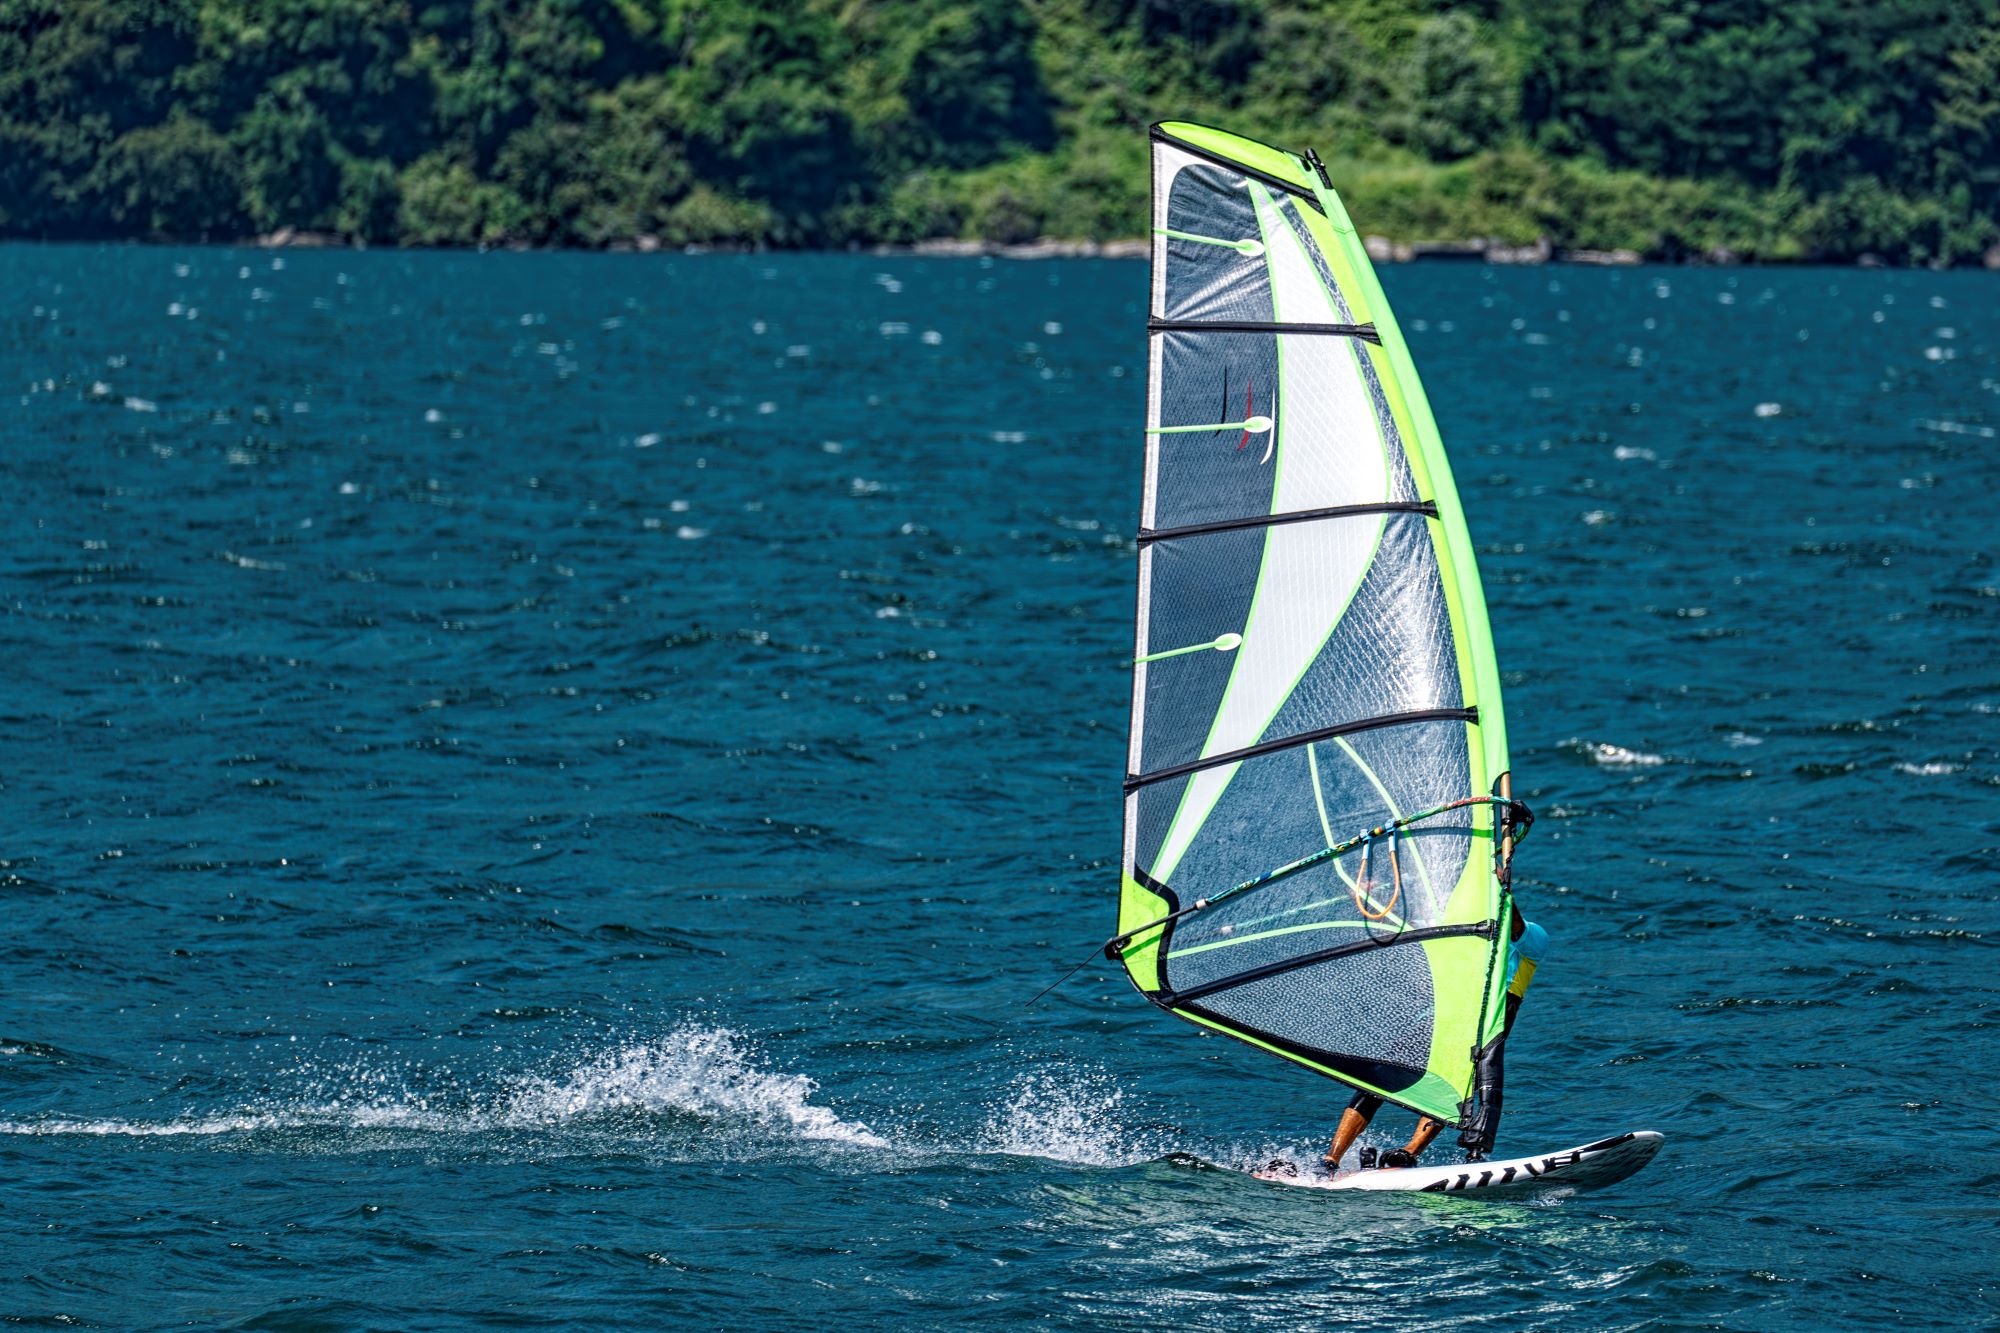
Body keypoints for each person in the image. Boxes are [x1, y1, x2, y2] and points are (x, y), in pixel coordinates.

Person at [1321, 905, 1548, 1172]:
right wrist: (1369, 900)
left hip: (1485, 1021)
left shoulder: (1536, 936)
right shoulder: (1470, 934)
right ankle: (1330, 1159)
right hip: (1439, 1015)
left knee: (1452, 1086)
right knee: (1377, 1080)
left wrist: (1500, 883)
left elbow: (1515, 924)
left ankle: (1408, 1154)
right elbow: (1406, 920)